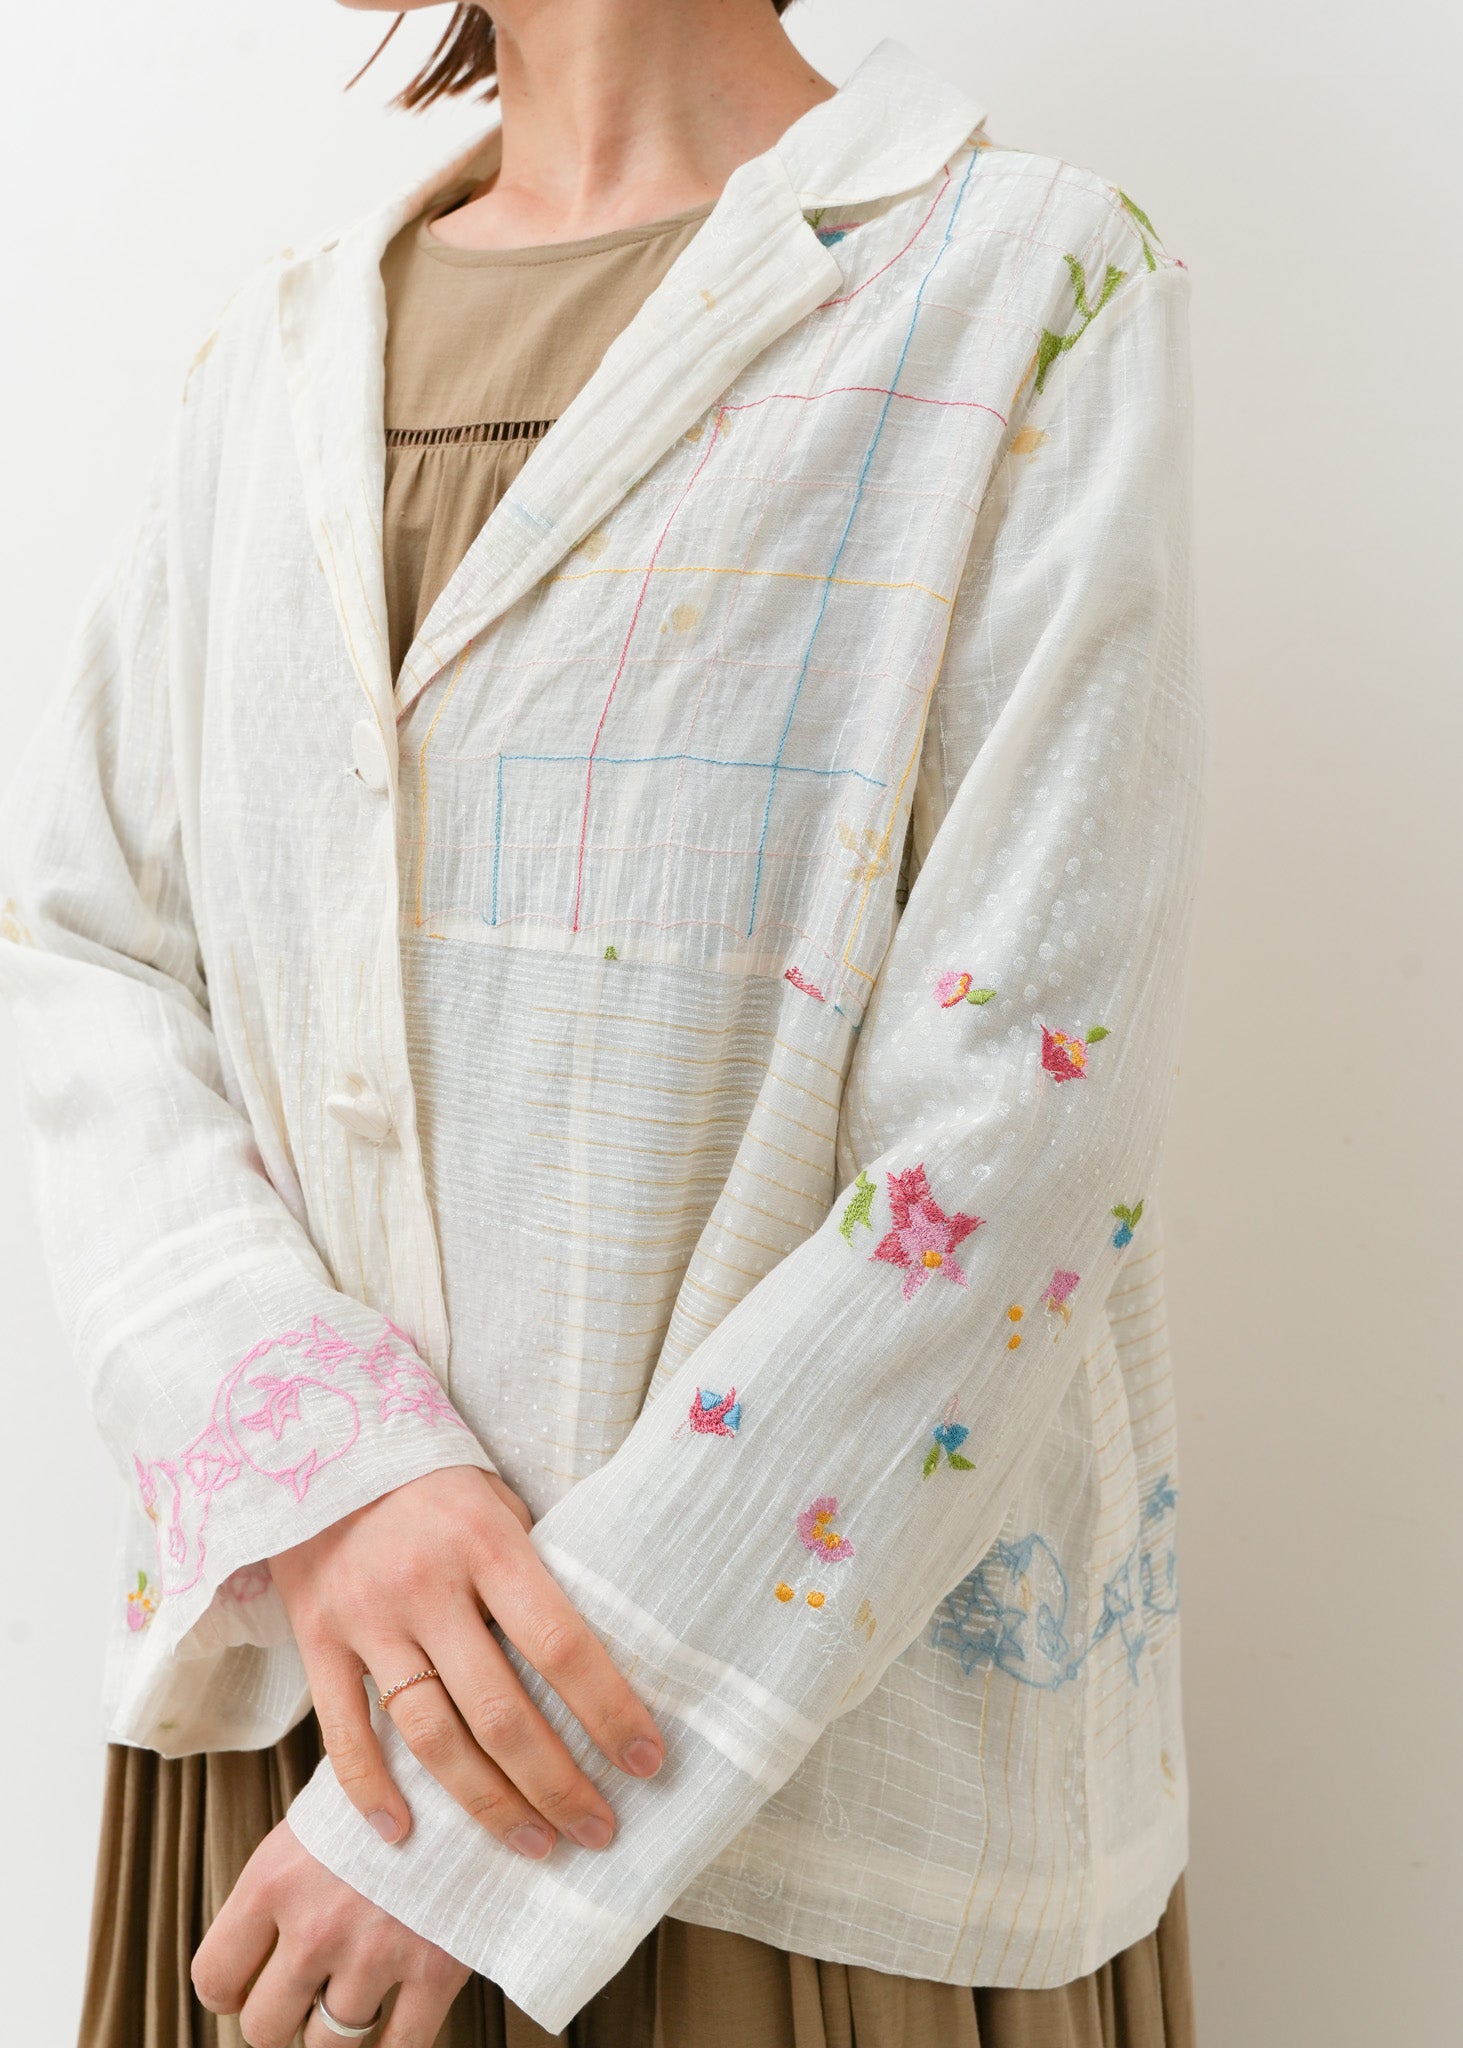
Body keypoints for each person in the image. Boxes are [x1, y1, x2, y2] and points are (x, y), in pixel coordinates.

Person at [0, 4, 1206, 2044]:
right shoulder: (270, 353)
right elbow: (87, 949)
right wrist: (340, 1478)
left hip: (774, 1797)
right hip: (302, 1724)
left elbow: (1021, 1121)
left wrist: (507, 1782)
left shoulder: (1028, 283)